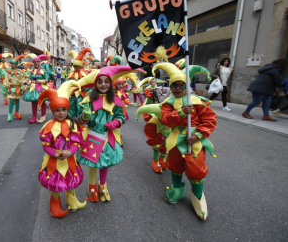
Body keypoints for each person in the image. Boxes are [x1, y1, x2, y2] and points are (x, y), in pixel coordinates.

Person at [152, 63, 217, 220]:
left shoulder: (198, 102)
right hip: (175, 140)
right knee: (175, 166)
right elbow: (166, 120)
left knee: (196, 169)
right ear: (170, 86)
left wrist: (199, 135)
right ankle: (177, 190)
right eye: (175, 85)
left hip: (194, 142)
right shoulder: (167, 103)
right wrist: (180, 112)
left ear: (188, 85)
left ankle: (198, 196)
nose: (178, 88)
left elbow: (209, 120)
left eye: (182, 85)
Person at [75, 65, 144, 203]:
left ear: (110, 84)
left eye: (106, 82)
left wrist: (116, 123)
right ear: (95, 84)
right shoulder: (89, 99)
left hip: (108, 136)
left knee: (105, 162)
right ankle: (92, 186)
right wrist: (85, 117)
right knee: (92, 163)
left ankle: (103, 185)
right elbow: (81, 118)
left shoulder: (115, 100)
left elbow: (121, 117)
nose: (103, 84)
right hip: (93, 135)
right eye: (99, 82)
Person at [37, 81, 87, 218]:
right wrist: (55, 154)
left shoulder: (72, 124)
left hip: (70, 159)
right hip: (53, 161)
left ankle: (72, 201)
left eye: (63, 110)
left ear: (67, 110)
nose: (60, 113)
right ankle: (55, 205)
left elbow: (77, 143)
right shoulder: (49, 126)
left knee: (70, 181)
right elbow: (46, 145)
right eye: (57, 110)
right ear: (52, 111)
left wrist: (70, 152)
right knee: (55, 183)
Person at [23, 55, 49, 124]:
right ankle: (34, 117)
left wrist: (40, 81)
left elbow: (47, 80)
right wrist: (27, 82)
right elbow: (29, 79)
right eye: (35, 62)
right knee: (33, 103)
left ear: (39, 62)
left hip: (41, 88)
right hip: (33, 88)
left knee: (42, 102)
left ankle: (43, 116)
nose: (36, 63)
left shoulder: (43, 70)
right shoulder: (32, 71)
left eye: (37, 61)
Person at [67, 48, 92, 118]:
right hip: (72, 94)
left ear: (81, 66)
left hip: (81, 94)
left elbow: (88, 84)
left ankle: (80, 119)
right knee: (71, 105)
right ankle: (71, 118)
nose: (76, 68)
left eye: (77, 67)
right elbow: (68, 83)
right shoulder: (71, 73)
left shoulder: (84, 74)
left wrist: (81, 88)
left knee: (79, 106)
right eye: (74, 66)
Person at [3, 54, 26, 122]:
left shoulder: (20, 72)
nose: (11, 65)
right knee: (11, 101)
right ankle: (10, 114)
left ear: (16, 64)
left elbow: (23, 81)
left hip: (18, 89)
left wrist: (23, 90)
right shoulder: (8, 72)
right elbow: (6, 80)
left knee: (18, 101)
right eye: (11, 63)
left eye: (12, 64)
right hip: (11, 89)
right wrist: (8, 89)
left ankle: (17, 113)